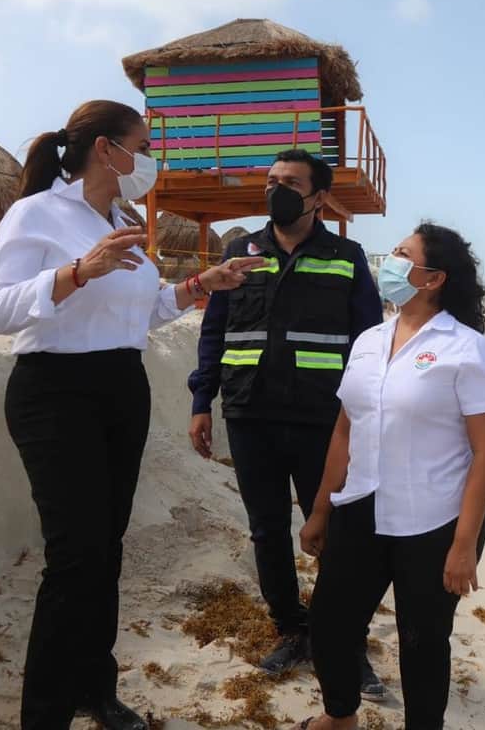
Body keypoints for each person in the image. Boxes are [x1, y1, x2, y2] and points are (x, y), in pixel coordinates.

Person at [0, 99, 263, 730]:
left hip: (120, 386)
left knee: (106, 548)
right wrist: (79, 271)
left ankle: (94, 688)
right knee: (74, 555)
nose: (152, 159)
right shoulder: (37, 214)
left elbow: (139, 311)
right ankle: (44, 715)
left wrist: (198, 287)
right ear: (106, 149)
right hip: (55, 392)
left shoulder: (122, 218)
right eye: (144, 143)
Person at [294, 224, 485, 730]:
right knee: (329, 623)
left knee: (422, 641)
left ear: (433, 278)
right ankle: (340, 716)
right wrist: (323, 509)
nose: (389, 260)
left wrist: (463, 545)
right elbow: (346, 431)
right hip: (362, 506)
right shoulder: (369, 341)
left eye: (401, 254)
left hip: (435, 520)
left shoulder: (470, 350)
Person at [187, 149, 386, 691]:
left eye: (291, 182)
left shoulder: (347, 256)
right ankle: (291, 629)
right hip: (249, 411)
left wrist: (367, 416)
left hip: (323, 419)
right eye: (272, 181)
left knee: (338, 533)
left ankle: (339, 639)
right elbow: (215, 331)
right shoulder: (240, 251)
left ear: (318, 196)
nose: (277, 189)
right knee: (266, 529)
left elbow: (370, 343)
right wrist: (202, 400)